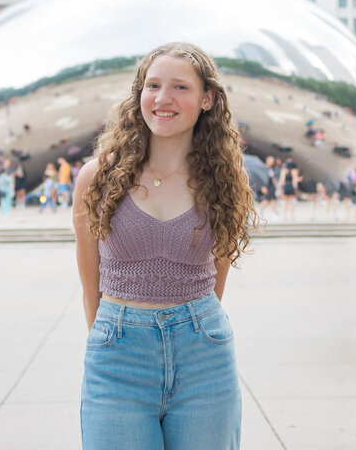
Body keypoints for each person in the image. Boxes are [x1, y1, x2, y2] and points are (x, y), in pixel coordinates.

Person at [74, 42, 255, 449]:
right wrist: (111, 340)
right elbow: (91, 284)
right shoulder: (95, 178)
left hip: (204, 355)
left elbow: (216, 278)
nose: (163, 99)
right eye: (152, 86)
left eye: (180, 87)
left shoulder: (225, 178)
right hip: (117, 357)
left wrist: (192, 326)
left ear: (207, 99)